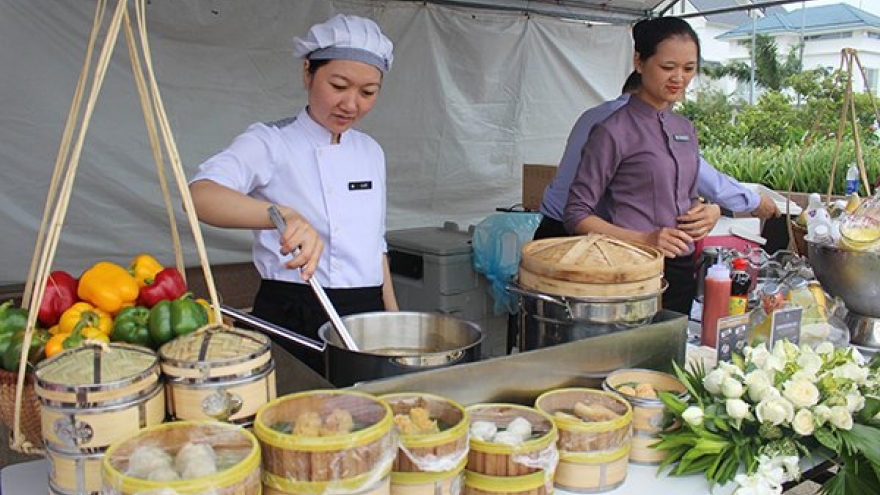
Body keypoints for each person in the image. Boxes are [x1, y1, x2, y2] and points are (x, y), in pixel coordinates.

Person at [189, 14, 398, 375]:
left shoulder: (371, 151)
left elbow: (374, 244)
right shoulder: (270, 141)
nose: (351, 104)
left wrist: (394, 318)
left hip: (367, 313)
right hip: (294, 308)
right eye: (338, 85)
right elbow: (199, 195)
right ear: (307, 73)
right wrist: (280, 214)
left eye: (367, 92)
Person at [563, 16, 711, 316]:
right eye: (668, 67)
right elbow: (576, 214)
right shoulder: (613, 130)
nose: (679, 78)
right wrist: (646, 238)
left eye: (689, 69)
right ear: (639, 62)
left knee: (672, 357)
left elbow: (689, 197)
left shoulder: (685, 128)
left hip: (682, 267)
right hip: (632, 269)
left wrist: (709, 212)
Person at [536, 71, 779, 240]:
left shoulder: (592, 114)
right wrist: (755, 201)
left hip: (550, 228)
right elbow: (704, 180)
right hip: (590, 235)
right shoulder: (630, 125)